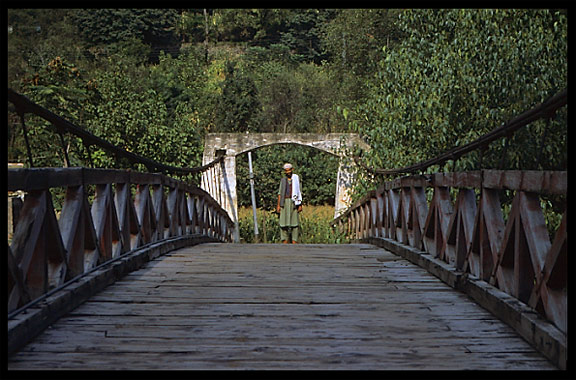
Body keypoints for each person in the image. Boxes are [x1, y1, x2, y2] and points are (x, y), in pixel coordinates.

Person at [276, 163, 303, 244]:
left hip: (294, 202)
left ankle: (295, 240)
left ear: (292, 170)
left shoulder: (296, 180)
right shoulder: (283, 181)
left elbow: (299, 193)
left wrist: (300, 204)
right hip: (284, 202)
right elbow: (280, 193)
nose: (288, 172)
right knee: (283, 223)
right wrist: (278, 205)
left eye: (289, 170)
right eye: (286, 171)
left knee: (295, 223)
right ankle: (285, 239)